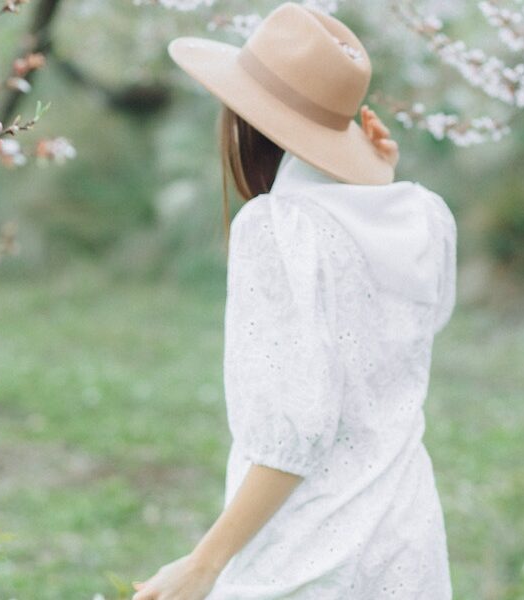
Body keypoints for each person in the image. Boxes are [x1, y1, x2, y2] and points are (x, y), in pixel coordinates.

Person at [131, 3, 457, 599]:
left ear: (243, 119)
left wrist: (204, 564)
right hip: (406, 539)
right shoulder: (424, 217)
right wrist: (374, 182)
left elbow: (295, 435)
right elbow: (400, 338)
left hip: (309, 552)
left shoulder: (280, 229)